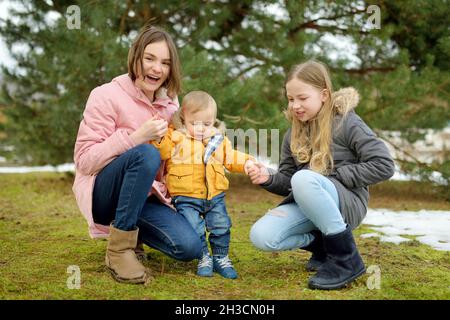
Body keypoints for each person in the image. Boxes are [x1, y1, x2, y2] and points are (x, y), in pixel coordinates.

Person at [246, 60, 395, 290]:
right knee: (262, 236)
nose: (295, 105)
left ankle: (346, 260)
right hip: (309, 201)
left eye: (302, 98)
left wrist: (337, 175)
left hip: (347, 203)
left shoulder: (347, 123)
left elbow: (384, 164)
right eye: (291, 99)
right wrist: (268, 178)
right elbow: (288, 180)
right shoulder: (292, 133)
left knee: (303, 178)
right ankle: (322, 247)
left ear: (324, 94)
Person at [72, 25, 203, 284]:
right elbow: (85, 162)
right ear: (136, 57)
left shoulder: (170, 103)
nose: (157, 69)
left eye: (165, 63)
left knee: (189, 248)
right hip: (104, 194)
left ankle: (135, 235)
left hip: (146, 195)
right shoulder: (105, 95)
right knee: (145, 154)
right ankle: (119, 250)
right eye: (150, 58)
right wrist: (135, 138)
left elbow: (169, 159)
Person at [153, 90, 254, 279]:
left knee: (221, 226)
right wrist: (158, 137)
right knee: (194, 227)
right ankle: (203, 256)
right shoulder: (175, 136)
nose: (200, 128)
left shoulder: (218, 140)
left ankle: (221, 257)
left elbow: (231, 158)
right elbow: (162, 151)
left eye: (206, 124)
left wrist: (248, 162)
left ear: (213, 120)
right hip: (186, 196)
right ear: (184, 117)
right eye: (194, 123)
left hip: (214, 196)